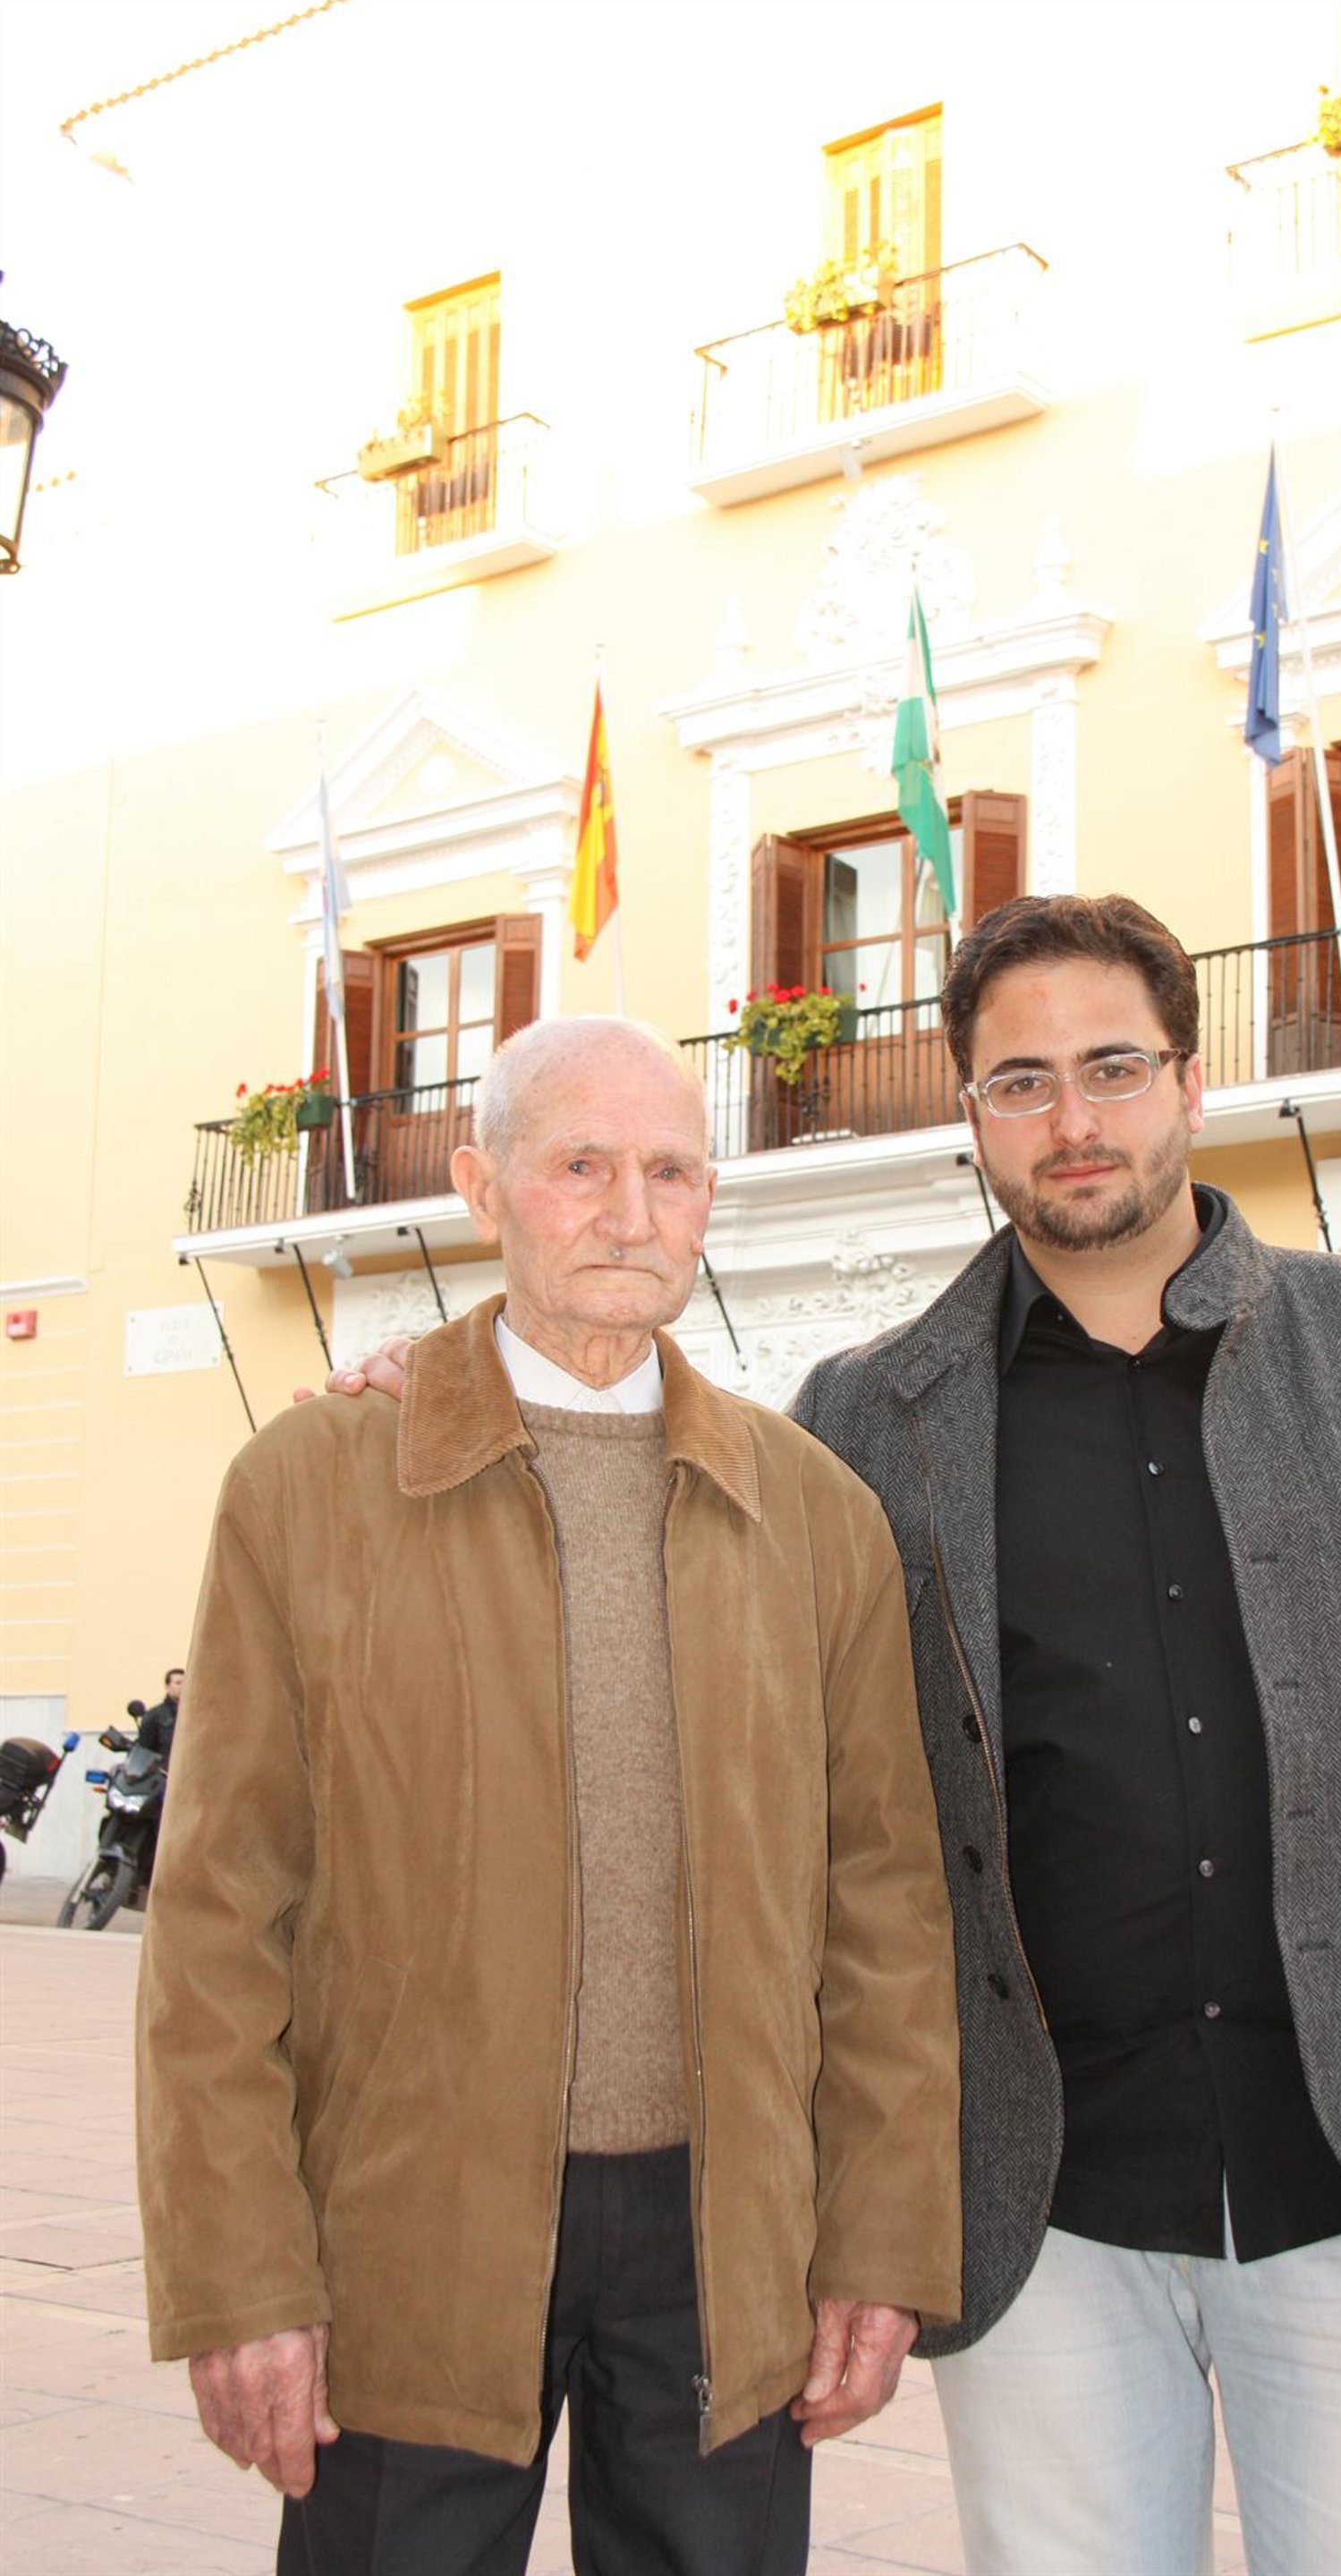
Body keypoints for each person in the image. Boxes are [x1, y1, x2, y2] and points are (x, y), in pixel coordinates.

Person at [334, 902, 1341, 2576]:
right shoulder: (865, 1419)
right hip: (1040, 2204)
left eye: (1113, 1068)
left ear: (1189, 1080)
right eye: (1020, 1083)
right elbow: (674, 1539)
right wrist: (460, 1388)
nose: (1073, 1120)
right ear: (971, 1115)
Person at [137, 1016, 962, 2576]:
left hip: (729, 2248)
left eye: (672, 1172)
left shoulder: (817, 1516)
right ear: (482, 1187)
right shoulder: (310, 1490)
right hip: (411, 2238)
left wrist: (880, 2237)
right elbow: (218, 1921)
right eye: (581, 1165)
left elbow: (886, 1915)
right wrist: (239, 2275)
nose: (631, 1215)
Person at [135, 1665, 183, 1762]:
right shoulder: (154, 1715)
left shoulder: (195, 1715)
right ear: (167, 1687)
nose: (183, 1686)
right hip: (164, 1768)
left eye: (186, 1683)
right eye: (178, 1683)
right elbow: (145, 1750)